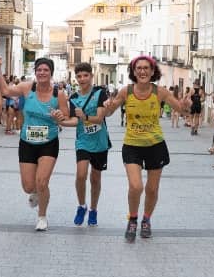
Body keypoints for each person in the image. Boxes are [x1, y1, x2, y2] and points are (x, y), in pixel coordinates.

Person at [101, 55, 189, 242]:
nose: (142, 71)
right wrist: (108, 105)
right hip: (132, 145)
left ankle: (146, 220)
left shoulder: (160, 92)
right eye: (139, 68)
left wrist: (186, 106)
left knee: (152, 189)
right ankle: (133, 219)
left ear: (152, 71)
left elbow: (181, 110)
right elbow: (109, 112)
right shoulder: (126, 91)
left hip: (155, 145)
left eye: (146, 68)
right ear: (133, 72)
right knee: (136, 186)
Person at [0, 56, 70, 231]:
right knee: (28, 187)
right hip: (27, 142)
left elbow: (66, 117)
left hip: (48, 142)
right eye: (39, 70)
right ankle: (36, 193)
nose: (42, 73)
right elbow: (5, 90)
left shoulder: (59, 94)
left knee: (42, 181)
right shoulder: (27, 88)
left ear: (51, 73)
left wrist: (59, 117)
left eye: (46, 70)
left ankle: (42, 216)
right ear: (35, 72)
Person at [66, 62, 111, 227]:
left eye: (85, 75)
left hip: (100, 142)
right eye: (79, 76)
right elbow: (73, 121)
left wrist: (84, 116)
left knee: (95, 178)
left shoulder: (100, 93)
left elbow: (99, 118)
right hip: (83, 141)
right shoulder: (73, 98)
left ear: (91, 76)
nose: (82, 79)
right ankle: (81, 206)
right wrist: (59, 121)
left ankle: (93, 209)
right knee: (81, 175)